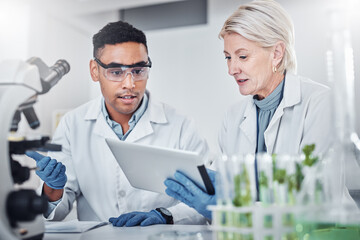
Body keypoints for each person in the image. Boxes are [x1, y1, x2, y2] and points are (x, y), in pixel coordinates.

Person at [165, 0, 351, 220]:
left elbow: (314, 198)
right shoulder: (233, 117)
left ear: (277, 53)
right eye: (228, 57)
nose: (232, 69)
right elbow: (211, 194)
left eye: (242, 56)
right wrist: (167, 214)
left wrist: (228, 211)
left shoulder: (319, 104)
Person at [26, 20, 209, 226]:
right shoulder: (72, 124)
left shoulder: (181, 126)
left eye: (139, 71)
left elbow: (204, 203)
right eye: (116, 72)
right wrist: (53, 188)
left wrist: (165, 215)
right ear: (95, 70)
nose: (130, 84)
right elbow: (56, 211)